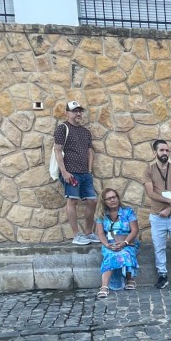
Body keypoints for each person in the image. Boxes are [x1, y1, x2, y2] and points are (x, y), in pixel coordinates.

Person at [143, 139, 171, 289]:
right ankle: (162, 275)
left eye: (167, 150)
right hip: (157, 216)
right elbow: (150, 193)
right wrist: (170, 201)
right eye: (161, 150)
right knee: (159, 247)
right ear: (155, 152)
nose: (165, 153)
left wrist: (169, 208)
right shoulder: (149, 170)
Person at [53, 101, 98, 245]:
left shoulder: (85, 132)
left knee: (92, 201)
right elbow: (57, 150)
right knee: (72, 200)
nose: (78, 113)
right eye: (74, 111)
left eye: (80, 111)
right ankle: (76, 235)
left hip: (85, 173)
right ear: (67, 113)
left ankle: (88, 233)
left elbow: (90, 151)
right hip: (71, 173)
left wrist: (89, 170)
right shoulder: (62, 128)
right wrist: (64, 172)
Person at [95, 188, 139, 297]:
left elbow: (134, 230)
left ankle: (130, 278)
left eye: (114, 197)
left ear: (118, 198)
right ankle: (104, 287)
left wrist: (125, 243)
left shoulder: (128, 211)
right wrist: (107, 245)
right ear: (104, 201)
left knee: (125, 252)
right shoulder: (101, 215)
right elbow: (100, 233)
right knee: (111, 254)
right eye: (109, 198)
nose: (112, 200)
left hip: (127, 241)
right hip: (109, 243)